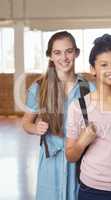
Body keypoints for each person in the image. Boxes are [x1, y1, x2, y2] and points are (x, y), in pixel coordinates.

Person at [22, 31, 95, 200]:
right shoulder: (39, 88)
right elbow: (26, 123)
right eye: (57, 52)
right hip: (50, 164)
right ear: (50, 56)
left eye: (69, 51)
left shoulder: (89, 89)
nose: (64, 57)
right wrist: (35, 127)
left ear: (76, 53)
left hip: (79, 161)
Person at [65, 34, 111, 200]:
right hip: (92, 191)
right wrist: (82, 141)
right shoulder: (79, 107)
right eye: (104, 65)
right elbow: (71, 156)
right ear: (93, 69)